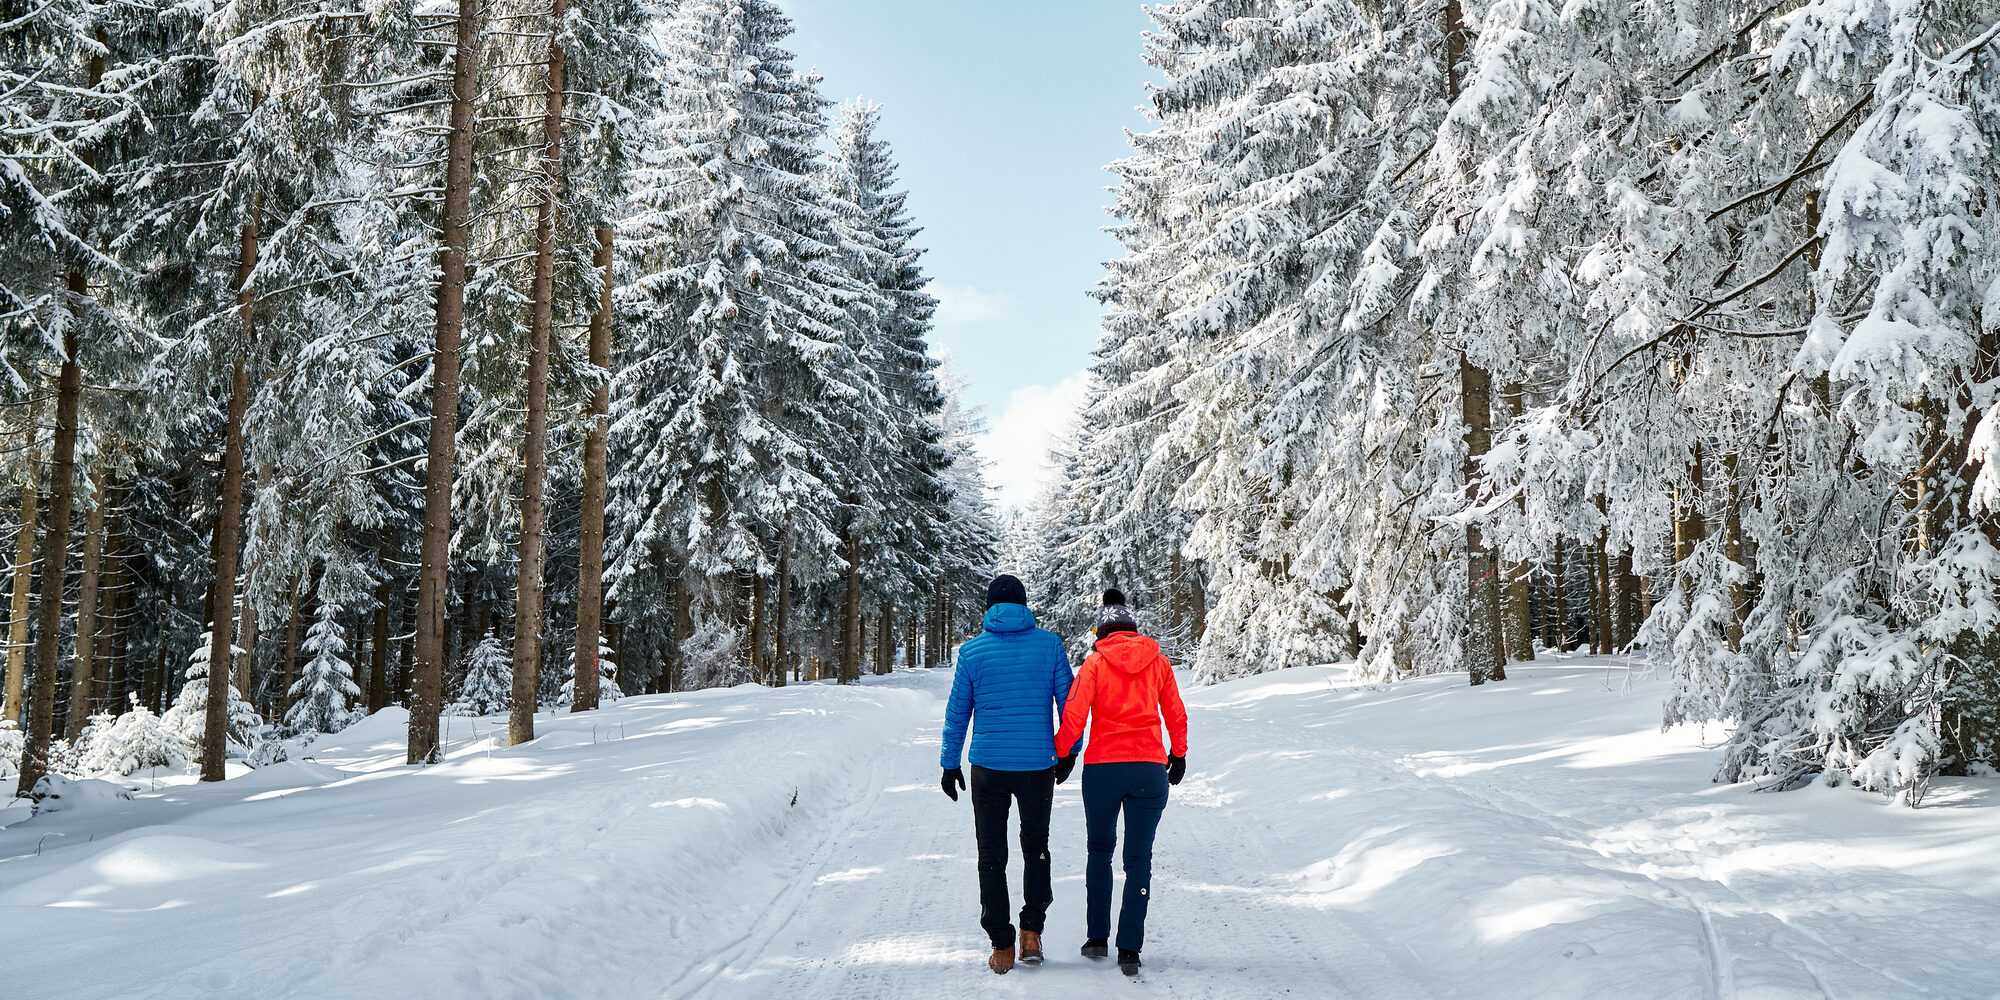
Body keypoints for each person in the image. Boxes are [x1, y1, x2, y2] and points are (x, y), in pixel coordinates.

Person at [939, 573, 1081, 975]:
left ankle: (1002, 944)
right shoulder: (1050, 645)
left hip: (987, 767)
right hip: (1036, 765)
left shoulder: (971, 652)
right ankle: (1031, 931)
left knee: (991, 854)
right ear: (1024, 605)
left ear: (990, 609)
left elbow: (957, 714)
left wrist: (950, 763)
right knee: (1035, 846)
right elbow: (1069, 705)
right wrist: (1069, 751)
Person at [1054, 588, 1189, 977]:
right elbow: (1175, 713)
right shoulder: (1159, 663)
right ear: (1133, 629)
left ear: (1102, 633)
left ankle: (1097, 938)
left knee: (1099, 850)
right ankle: (1129, 948)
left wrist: (1064, 756)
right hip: (1148, 767)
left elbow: (1074, 715)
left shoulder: (1094, 663)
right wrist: (1177, 754)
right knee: (1139, 859)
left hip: (1103, 770)